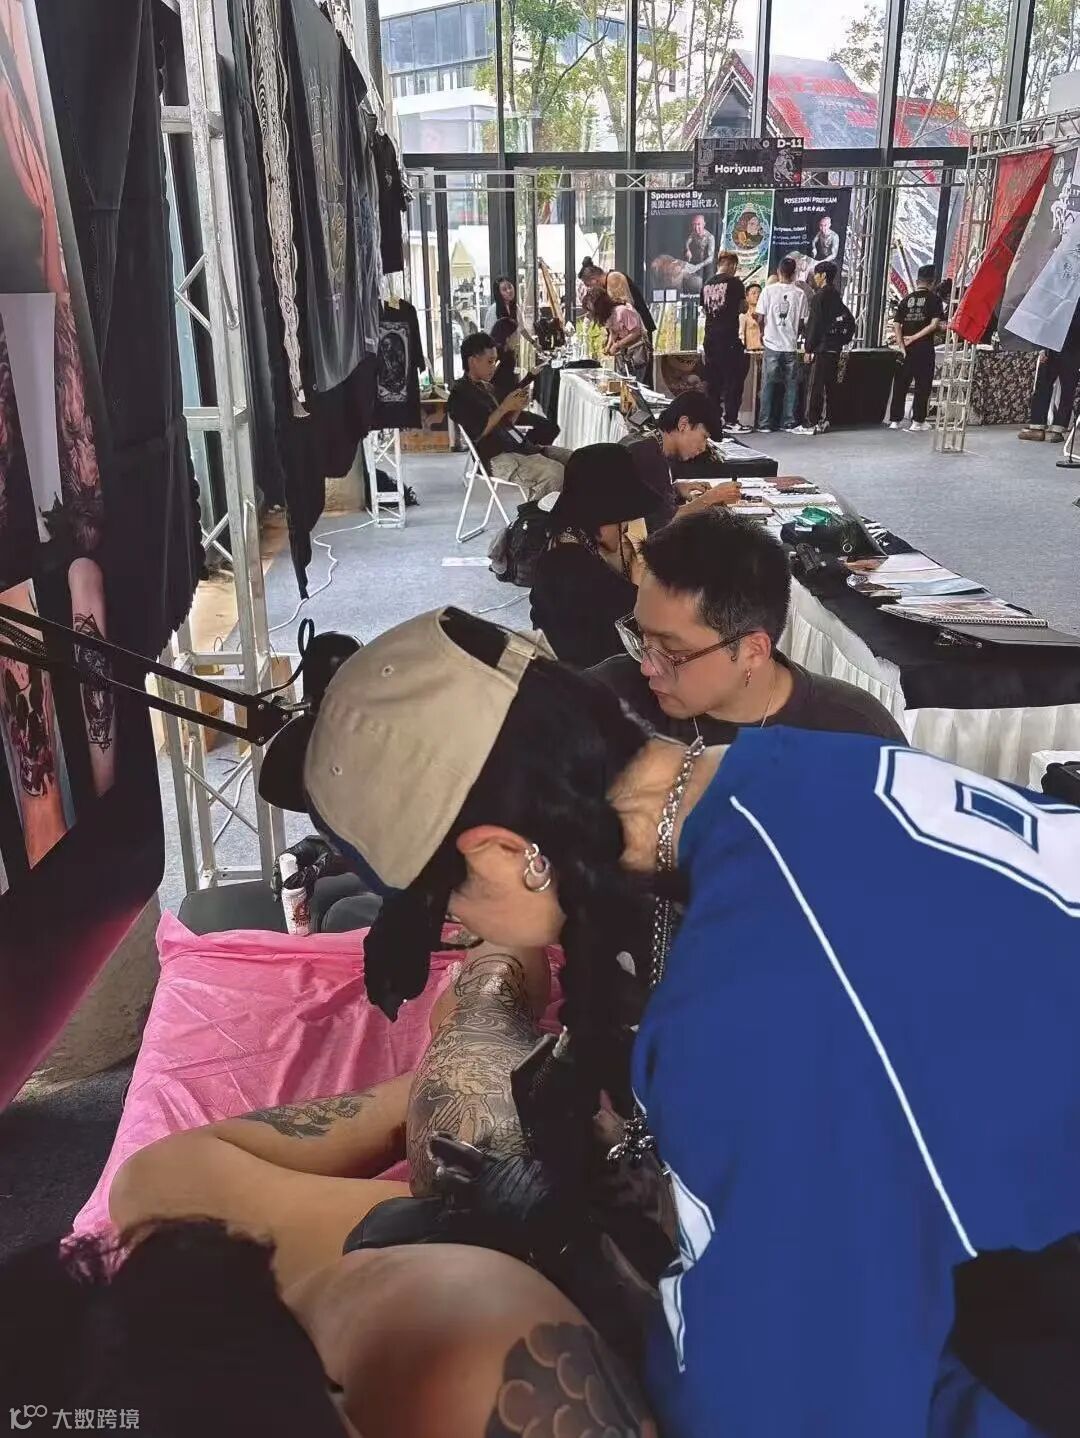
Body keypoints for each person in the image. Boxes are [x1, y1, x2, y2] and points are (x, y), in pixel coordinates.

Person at [246, 602, 1080, 1438]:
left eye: (445, 912)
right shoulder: (813, 766)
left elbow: (786, 1405)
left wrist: (599, 1283)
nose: (463, 934)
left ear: (502, 853)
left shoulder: (749, 1001)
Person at [0, 934, 656, 1437]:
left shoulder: (462, 1344)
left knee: (153, 1185)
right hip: (476, 1280)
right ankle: (472, 1030)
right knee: (477, 1112)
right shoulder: (477, 1360)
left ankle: (479, 1000)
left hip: (432, 1284)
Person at [591, 507, 905, 742]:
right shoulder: (604, 701)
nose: (647, 667)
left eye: (672, 650)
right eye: (641, 635)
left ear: (753, 650)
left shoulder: (854, 734)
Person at [528, 443, 656, 668]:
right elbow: (642, 623)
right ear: (604, 514)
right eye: (623, 520)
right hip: (587, 679)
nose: (626, 527)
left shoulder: (562, 543)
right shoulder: (580, 572)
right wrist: (637, 581)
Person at [448, 332, 569, 500]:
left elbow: (504, 425)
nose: (493, 367)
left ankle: (572, 512)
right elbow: (477, 433)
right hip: (497, 458)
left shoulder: (486, 388)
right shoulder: (460, 394)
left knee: (577, 461)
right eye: (489, 361)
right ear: (473, 361)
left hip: (519, 447)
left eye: (494, 361)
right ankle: (538, 514)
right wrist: (505, 407)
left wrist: (516, 408)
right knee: (556, 473)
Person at [619, 390, 739, 529]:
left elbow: (647, 501)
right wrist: (711, 498)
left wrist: (675, 489)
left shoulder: (647, 442)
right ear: (683, 424)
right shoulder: (647, 454)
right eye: (704, 437)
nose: (703, 448)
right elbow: (666, 523)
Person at [794, 261, 857, 436]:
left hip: (821, 349)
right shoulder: (836, 296)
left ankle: (810, 423)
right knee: (830, 386)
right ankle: (826, 420)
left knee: (815, 386)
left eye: (816, 274)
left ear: (822, 275)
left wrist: (808, 348)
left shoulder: (819, 297)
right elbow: (850, 321)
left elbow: (814, 325)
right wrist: (842, 340)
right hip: (834, 348)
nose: (815, 277)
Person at [889, 263, 946, 433]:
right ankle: (917, 421)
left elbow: (896, 324)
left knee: (901, 384)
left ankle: (895, 420)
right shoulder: (935, 300)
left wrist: (901, 344)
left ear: (917, 281)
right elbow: (934, 324)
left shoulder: (906, 300)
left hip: (905, 348)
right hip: (924, 347)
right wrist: (915, 337)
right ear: (933, 282)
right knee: (922, 384)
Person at [754, 254, 808, 433]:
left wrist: (763, 333)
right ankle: (789, 421)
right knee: (791, 385)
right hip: (790, 345)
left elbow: (760, 317)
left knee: (768, 384)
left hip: (771, 343)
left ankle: (765, 423)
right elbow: (802, 322)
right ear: (794, 274)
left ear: (778, 272)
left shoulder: (767, 291)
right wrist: (795, 333)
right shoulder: (800, 294)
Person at [700, 252, 751, 434]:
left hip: (709, 339)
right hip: (728, 338)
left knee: (713, 383)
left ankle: (714, 420)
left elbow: (705, 310)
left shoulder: (706, 284)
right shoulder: (735, 283)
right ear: (731, 265)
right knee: (733, 381)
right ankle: (731, 420)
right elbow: (743, 308)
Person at [1017, 297, 1080, 443]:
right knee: (1067, 389)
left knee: (1044, 384)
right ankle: (1057, 430)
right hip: (1074, 345)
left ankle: (1037, 427)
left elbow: (1048, 316)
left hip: (1054, 342)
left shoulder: (1062, 289)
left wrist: (1042, 347)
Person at [578, 259, 656, 339]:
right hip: (628, 329)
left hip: (636, 328)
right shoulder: (608, 283)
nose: (590, 288)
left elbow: (622, 307)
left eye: (589, 285)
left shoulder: (614, 278)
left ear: (594, 279)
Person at [592, 289, 651, 383]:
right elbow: (613, 332)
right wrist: (609, 346)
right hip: (624, 354)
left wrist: (617, 345)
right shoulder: (609, 315)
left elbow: (636, 332)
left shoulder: (622, 311)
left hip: (636, 352)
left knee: (634, 383)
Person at [682, 213, 715, 295]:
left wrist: (698, 267)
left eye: (699, 224)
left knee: (707, 285)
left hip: (707, 264)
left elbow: (711, 258)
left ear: (704, 224)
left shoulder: (710, 238)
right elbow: (687, 241)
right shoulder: (693, 233)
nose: (696, 228)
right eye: (694, 224)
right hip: (696, 261)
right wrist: (688, 250)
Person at [740, 283, 763, 352]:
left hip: (765, 351)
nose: (757, 295)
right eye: (754, 293)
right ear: (747, 297)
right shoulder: (743, 317)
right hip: (751, 351)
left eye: (759, 293)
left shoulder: (766, 316)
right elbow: (741, 336)